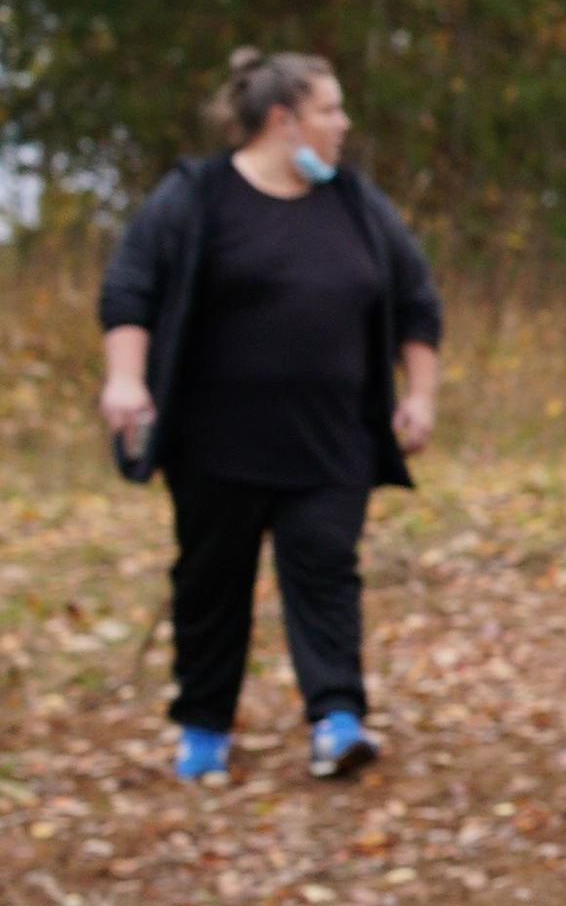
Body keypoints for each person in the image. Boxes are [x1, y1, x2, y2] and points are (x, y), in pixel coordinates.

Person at [98, 49, 443, 783]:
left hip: (332, 438)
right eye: (329, 110)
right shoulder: (197, 196)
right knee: (211, 581)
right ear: (283, 120)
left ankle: (337, 720)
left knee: (325, 570)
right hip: (214, 443)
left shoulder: (355, 202)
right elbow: (130, 288)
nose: (343, 124)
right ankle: (203, 730)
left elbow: (416, 299)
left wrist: (418, 396)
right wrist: (125, 381)